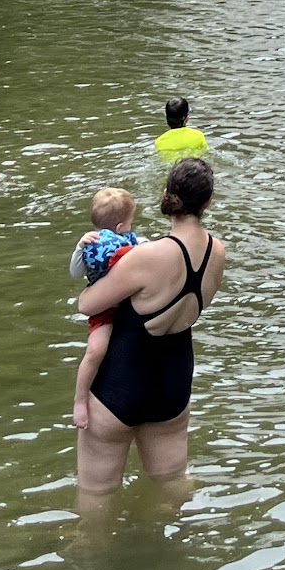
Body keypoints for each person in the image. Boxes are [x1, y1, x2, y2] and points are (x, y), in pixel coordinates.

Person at [76, 158, 224, 498]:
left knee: (96, 496)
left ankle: (90, 550)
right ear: (208, 203)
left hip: (121, 382)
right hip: (174, 382)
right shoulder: (217, 251)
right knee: (172, 489)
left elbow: (88, 304)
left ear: (167, 195)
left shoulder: (146, 256)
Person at [69, 188, 141, 431]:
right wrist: (79, 248)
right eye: (131, 223)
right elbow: (76, 273)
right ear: (120, 226)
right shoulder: (91, 244)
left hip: (131, 305)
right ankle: (80, 400)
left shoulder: (136, 242)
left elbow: (149, 254)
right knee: (95, 350)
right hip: (103, 309)